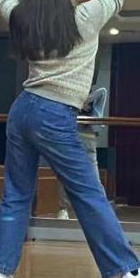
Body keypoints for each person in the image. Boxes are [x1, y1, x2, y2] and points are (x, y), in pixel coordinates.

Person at [0, 0, 140, 278]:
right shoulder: (83, 17)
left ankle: (1, 269)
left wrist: (45, 0)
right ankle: (129, 272)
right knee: (88, 194)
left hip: (22, 109)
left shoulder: (24, 17)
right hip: (56, 113)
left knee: (16, 193)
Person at [56, 86, 108, 220]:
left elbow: (102, 92)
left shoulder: (95, 106)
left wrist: (84, 100)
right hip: (71, 140)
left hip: (89, 141)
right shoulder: (70, 104)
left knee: (95, 178)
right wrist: (77, 102)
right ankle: (63, 209)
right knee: (65, 175)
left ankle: (103, 210)